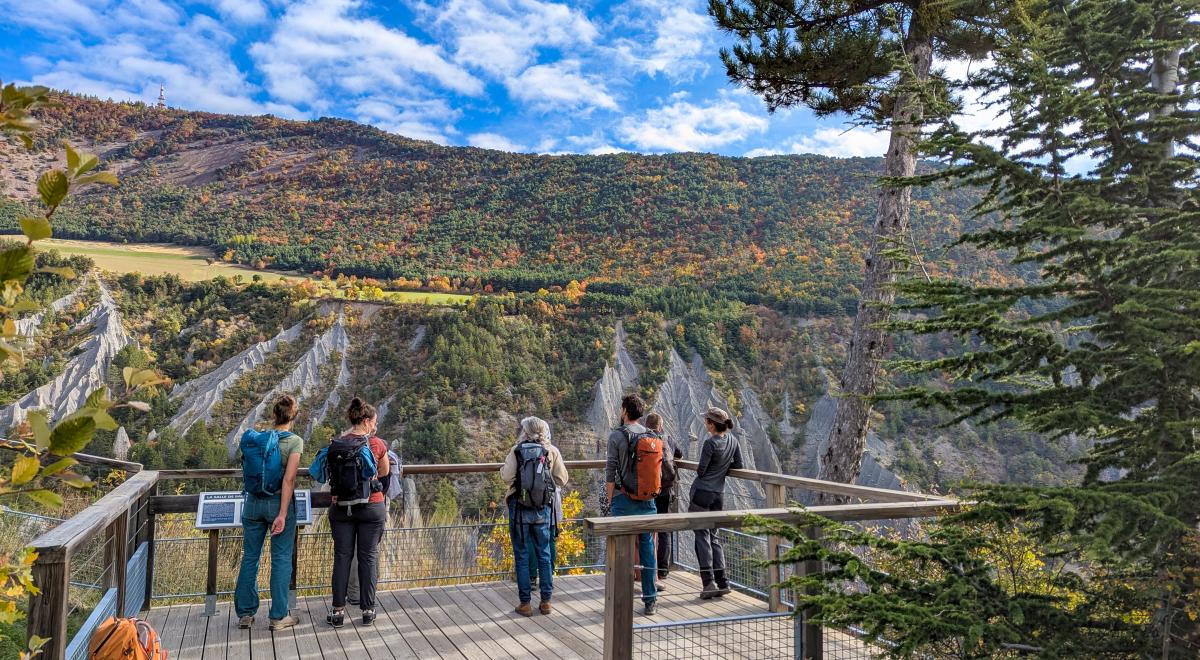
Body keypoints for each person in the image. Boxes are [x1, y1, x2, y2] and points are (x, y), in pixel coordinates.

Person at [234, 395, 303, 631]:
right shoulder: (294, 442)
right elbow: (289, 479)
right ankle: (278, 616)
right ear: (293, 417)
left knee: (250, 557)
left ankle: (245, 613)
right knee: (281, 559)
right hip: (277, 503)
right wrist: (283, 513)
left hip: (252, 503)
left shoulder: (258, 439)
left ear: (274, 415)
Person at [319, 397, 389, 627]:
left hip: (341, 508)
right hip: (371, 505)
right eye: (374, 422)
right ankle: (368, 610)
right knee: (368, 557)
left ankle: (338, 611)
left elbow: (322, 472)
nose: (375, 426)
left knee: (342, 557)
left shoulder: (336, 443)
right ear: (366, 421)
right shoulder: (376, 444)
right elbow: (384, 471)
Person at [500, 416, 568, 616]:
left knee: (521, 555)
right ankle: (546, 602)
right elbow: (562, 479)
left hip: (519, 509)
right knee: (544, 554)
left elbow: (506, 477)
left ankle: (525, 603)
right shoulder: (551, 451)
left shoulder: (517, 450)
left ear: (525, 432)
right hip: (542, 509)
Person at [605, 394, 660, 616]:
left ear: (625, 411)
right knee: (647, 548)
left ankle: (619, 600)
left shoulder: (617, 436)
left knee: (619, 550)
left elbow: (611, 471)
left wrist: (610, 500)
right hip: (648, 500)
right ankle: (650, 600)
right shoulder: (651, 435)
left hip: (623, 499)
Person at [690, 407, 743, 599]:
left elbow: (701, 471)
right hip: (718, 494)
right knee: (714, 537)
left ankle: (709, 582)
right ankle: (723, 581)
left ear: (712, 424)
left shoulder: (710, 443)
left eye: (706, 421)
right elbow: (738, 465)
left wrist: (711, 467)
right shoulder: (733, 441)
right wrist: (722, 467)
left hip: (702, 494)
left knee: (702, 537)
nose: (705, 424)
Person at [644, 413, 683, 588]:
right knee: (664, 530)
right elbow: (679, 454)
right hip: (666, 490)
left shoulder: (643, 439)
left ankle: (647, 568)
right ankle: (664, 569)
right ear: (661, 426)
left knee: (647, 529)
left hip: (648, 491)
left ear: (647, 425)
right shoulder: (667, 438)